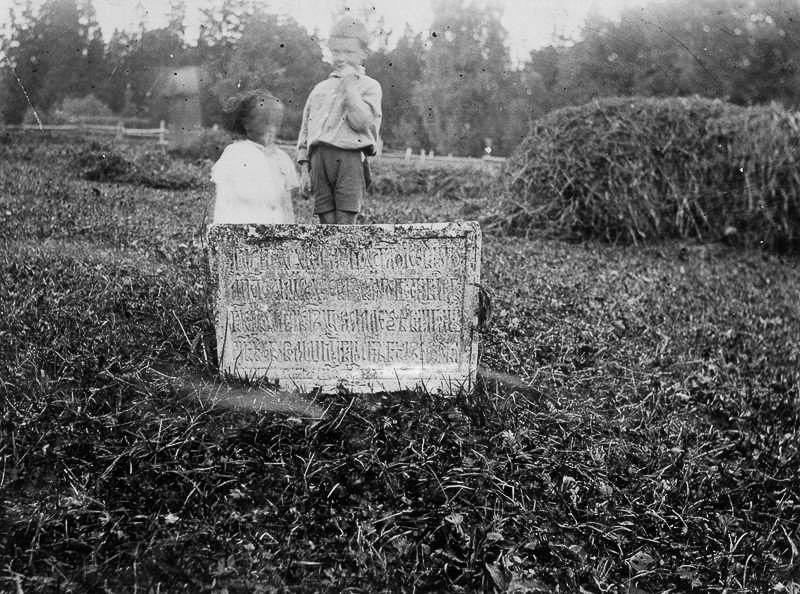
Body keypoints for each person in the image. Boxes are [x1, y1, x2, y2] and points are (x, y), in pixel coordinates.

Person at [296, 17, 382, 225]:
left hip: (349, 158)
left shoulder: (369, 87)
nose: (341, 58)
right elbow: (306, 131)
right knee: (326, 221)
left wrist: (350, 88)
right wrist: (304, 169)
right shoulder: (320, 89)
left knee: (344, 223)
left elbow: (362, 123)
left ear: (364, 54)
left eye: (349, 52)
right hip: (319, 160)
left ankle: (347, 257)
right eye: (336, 52)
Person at [211, 89, 298, 225]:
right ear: (247, 124)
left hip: (276, 231)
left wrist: (290, 233)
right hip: (243, 229)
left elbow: (286, 205)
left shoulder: (281, 158)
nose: (271, 128)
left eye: (276, 122)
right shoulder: (235, 154)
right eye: (264, 122)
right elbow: (223, 203)